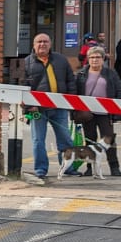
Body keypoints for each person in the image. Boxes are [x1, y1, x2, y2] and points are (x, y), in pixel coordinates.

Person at [21, 30, 75, 184]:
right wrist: (28, 107)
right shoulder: (26, 62)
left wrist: (72, 103)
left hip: (60, 107)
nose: (42, 44)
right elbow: (22, 85)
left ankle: (68, 168)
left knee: (65, 139)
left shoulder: (61, 60)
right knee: (38, 140)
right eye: (39, 42)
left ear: (50, 44)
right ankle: (40, 170)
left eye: (45, 42)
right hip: (38, 110)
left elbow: (70, 80)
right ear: (34, 45)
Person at [76, 46, 121, 177]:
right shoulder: (81, 74)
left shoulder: (111, 73)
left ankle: (114, 167)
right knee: (90, 141)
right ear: (87, 59)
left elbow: (119, 91)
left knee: (109, 140)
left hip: (105, 114)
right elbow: (75, 94)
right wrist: (75, 113)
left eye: (98, 57)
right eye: (91, 57)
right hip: (87, 114)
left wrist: (118, 114)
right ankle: (90, 168)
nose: (94, 60)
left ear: (103, 59)